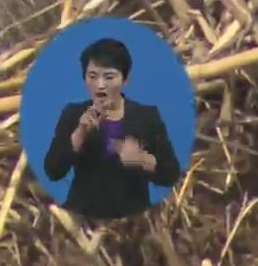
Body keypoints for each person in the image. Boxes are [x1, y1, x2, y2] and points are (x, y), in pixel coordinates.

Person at [43, 37, 181, 220]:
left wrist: (141, 160)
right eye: (92, 76)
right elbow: (53, 171)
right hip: (83, 217)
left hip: (132, 220)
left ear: (125, 80)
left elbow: (170, 174)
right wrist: (79, 135)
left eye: (109, 77)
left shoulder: (147, 116)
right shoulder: (73, 114)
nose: (100, 85)